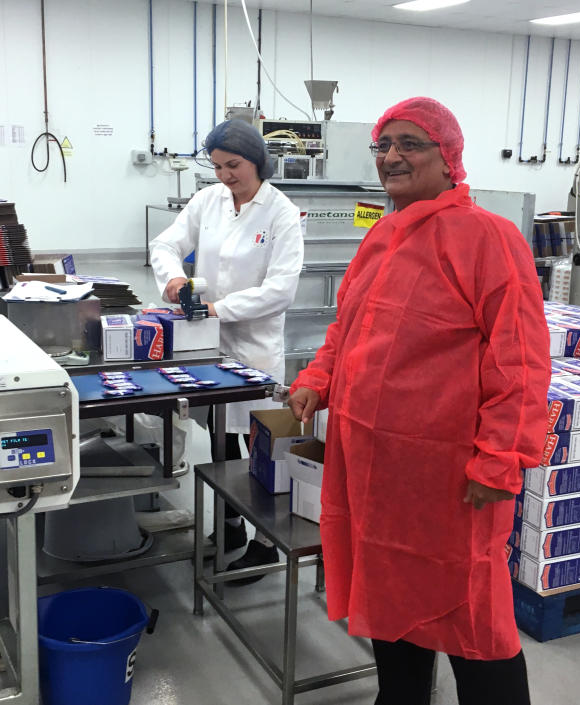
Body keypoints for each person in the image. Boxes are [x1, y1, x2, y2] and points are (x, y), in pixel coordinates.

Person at [287, 97, 550, 704]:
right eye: (383, 145)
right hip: (376, 473)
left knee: (473, 618)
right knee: (390, 600)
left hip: (450, 477)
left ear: (448, 156)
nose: (392, 157)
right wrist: (318, 379)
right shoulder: (383, 235)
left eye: (410, 143)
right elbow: (346, 327)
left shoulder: (488, 238)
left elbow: (521, 361)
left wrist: (499, 460)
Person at [150, 119, 304, 581]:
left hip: (254, 346)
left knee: (260, 445)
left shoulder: (281, 213)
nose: (224, 175)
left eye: (232, 165)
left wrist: (220, 308)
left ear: (257, 160)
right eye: (217, 166)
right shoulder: (208, 200)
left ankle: (264, 544)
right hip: (209, 344)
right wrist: (173, 277)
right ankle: (232, 526)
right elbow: (167, 242)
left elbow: (280, 290)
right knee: (221, 436)